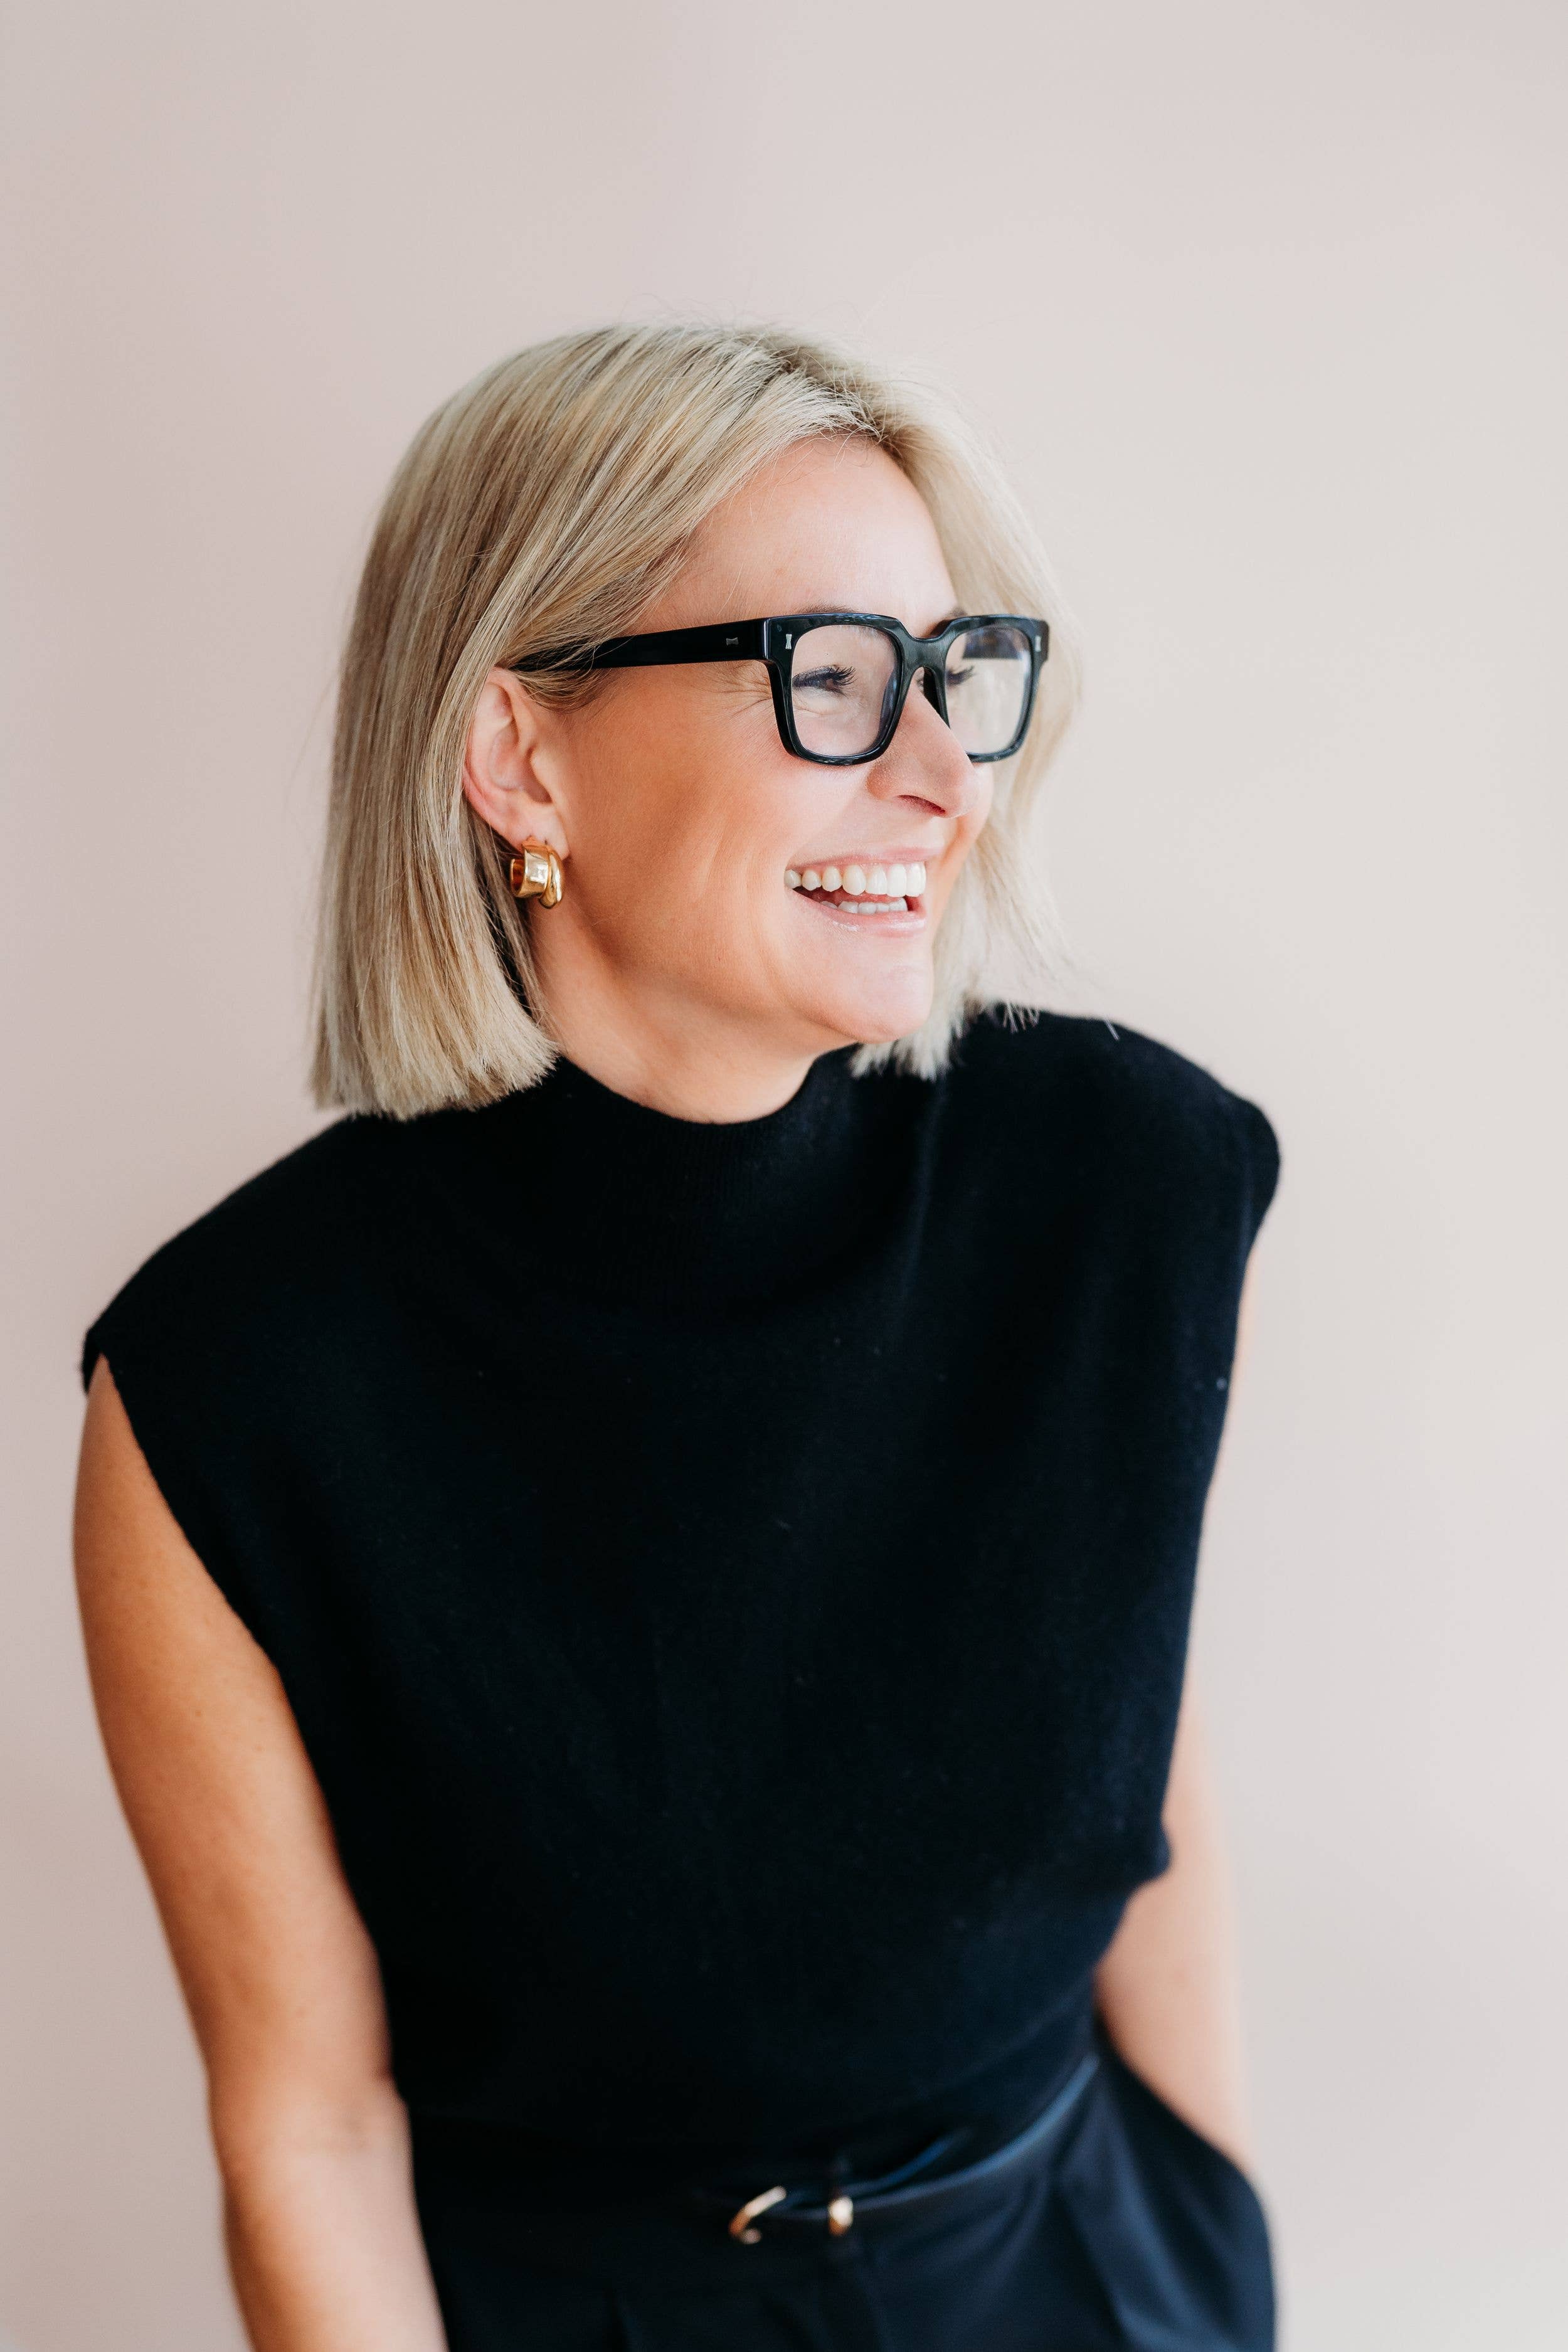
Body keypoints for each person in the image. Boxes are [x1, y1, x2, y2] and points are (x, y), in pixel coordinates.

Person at [72, 322, 1283, 2352]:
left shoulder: (1125, 1182)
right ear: (521, 758)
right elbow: (308, 2130)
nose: (936, 780)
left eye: (952, 674)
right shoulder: (232, 1386)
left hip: (1081, 2270)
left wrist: (1208, 2251)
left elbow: (1139, 1782)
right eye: (828, 677)